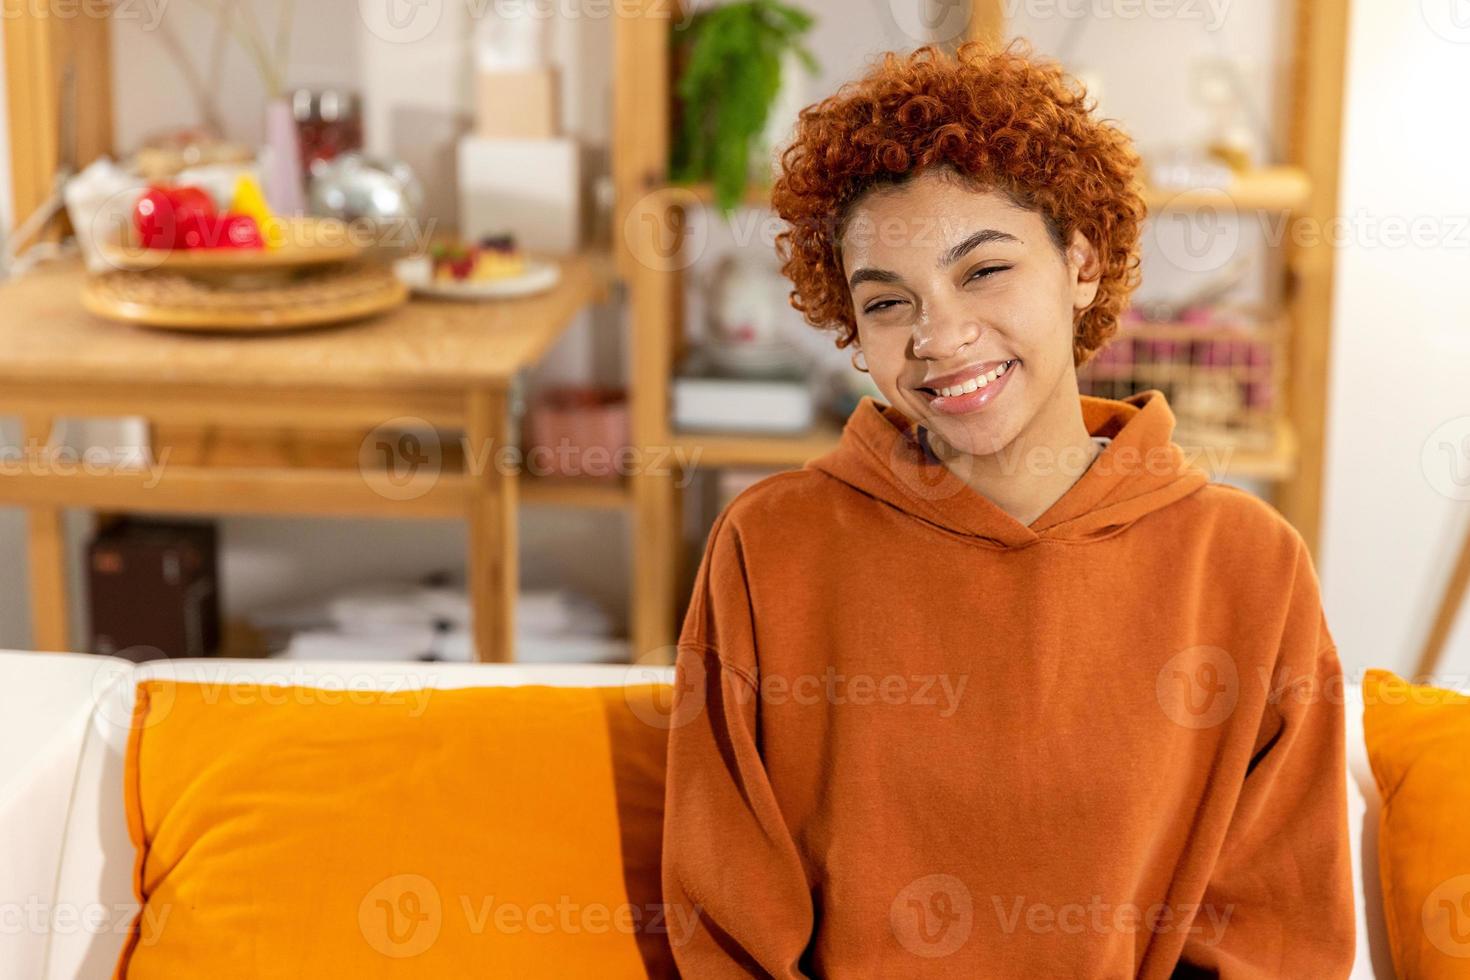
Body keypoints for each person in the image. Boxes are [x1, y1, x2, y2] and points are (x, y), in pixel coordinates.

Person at [659, 38, 1355, 978]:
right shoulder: (768, 548)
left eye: (983, 272)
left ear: (1082, 263)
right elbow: (727, 925)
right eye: (888, 303)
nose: (940, 337)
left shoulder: (1247, 566)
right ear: (852, 330)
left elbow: (1277, 939)